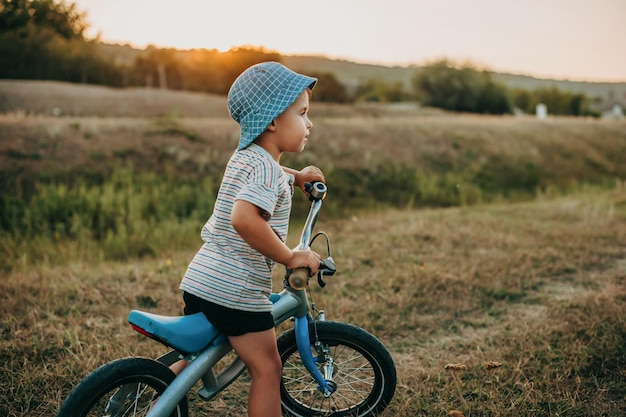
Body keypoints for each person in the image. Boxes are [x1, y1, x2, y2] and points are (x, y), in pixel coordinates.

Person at [176, 62, 325, 417]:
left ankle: (151, 397)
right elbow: (243, 218)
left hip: (203, 279)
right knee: (268, 368)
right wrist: (290, 257)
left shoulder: (249, 158)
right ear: (272, 121)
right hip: (236, 289)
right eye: (302, 114)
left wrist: (298, 177)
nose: (309, 123)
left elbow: (269, 175)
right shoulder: (266, 171)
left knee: (198, 356)